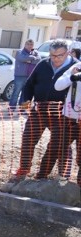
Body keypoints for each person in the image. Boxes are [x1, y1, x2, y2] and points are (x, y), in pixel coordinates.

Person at [16, 39, 75, 180]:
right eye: (52, 55)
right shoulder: (43, 64)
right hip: (39, 110)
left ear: (67, 53)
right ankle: (24, 169)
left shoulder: (75, 67)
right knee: (28, 139)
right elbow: (29, 84)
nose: (55, 59)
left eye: (59, 55)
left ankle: (62, 174)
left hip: (62, 114)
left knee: (60, 145)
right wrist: (25, 99)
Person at [55, 59, 81, 194]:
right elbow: (58, 86)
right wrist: (71, 77)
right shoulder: (76, 67)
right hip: (69, 117)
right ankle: (63, 179)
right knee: (63, 148)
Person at [10, 39, 40, 110]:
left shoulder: (35, 52)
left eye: (31, 44)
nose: (30, 46)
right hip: (20, 76)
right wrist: (32, 58)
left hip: (30, 77)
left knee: (25, 94)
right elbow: (21, 58)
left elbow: (38, 59)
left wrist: (29, 60)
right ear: (25, 44)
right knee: (16, 93)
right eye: (28, 44)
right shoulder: (20, 52)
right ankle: (11, 109)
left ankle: (22, 109)